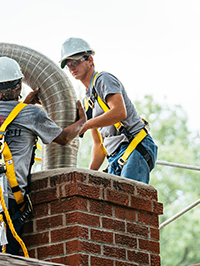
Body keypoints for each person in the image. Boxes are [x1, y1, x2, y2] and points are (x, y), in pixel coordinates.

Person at [0, 56, 86, 254]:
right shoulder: (33, 114)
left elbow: (5, 121)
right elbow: (62, 138)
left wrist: (24, 104)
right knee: (2, 261)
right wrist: (81, 122)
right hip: (8, 198)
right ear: (19, 85)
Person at [59, 37, 158, 184]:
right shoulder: (88, 101)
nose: (72, 67)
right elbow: (99, 145)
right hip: (115, 157)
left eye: (76, 62)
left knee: (129, 199)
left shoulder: (103, 80)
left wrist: (85, 125)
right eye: (68, 65)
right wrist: (88, 176)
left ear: (90, 60)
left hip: (134, 146)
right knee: (116, 204)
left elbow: (119, 112)